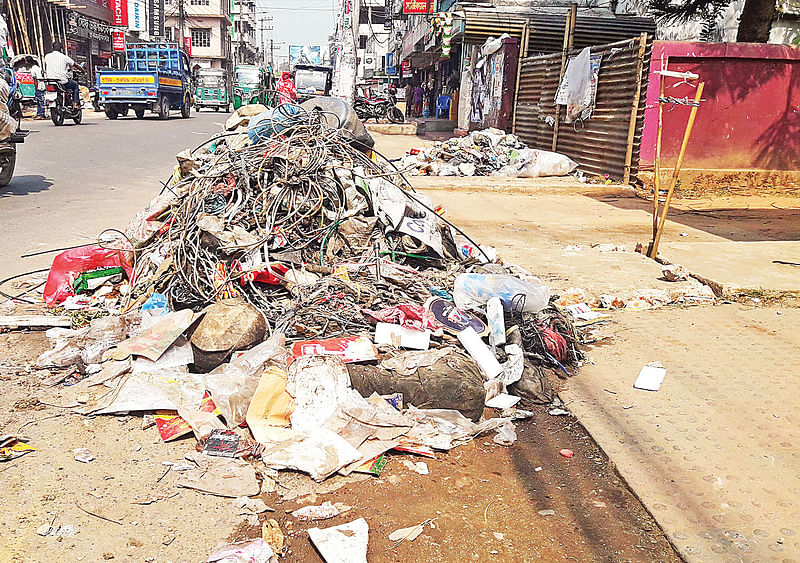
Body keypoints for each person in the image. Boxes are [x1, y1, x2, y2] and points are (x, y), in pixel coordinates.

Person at [44, 41, 80, 108]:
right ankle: (75, 103)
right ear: (61, 49)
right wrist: (83, 71)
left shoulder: (47, 56)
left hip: (50, 81)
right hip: (62, 81)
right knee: (75, 85)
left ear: (53, 48)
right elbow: (75, 64)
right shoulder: (65, 57)